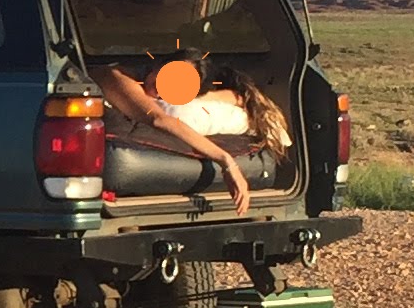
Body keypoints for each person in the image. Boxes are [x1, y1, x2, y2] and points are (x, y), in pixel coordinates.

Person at [93, 56, 291, 214]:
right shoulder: (117, 76)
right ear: (158, 64)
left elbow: (238, 97)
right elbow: (158, 119)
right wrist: (226, 161)